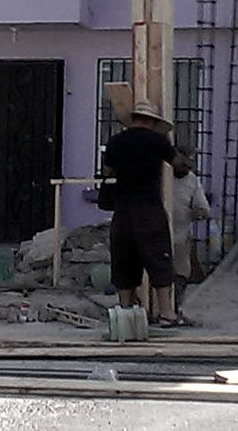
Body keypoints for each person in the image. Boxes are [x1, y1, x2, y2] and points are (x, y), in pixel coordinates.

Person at [101, 101, 180, 326]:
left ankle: (125, 313)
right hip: (149, 207)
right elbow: (180, 166)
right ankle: (167, 313)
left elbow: (108, 170)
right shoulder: (157, 141)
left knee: (124, 259)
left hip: (123, 209)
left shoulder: (116, 142)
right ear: (151, 121)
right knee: (158, 257)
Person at [171, 147, 211, 322]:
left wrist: (198, 213)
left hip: (180, 237)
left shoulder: (192, 181)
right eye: (183, 164)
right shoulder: (161, 177)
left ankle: (175, 307)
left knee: (181, 274)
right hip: (157, 235)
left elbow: (203, 208)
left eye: (189, 166)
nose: (186, 169)